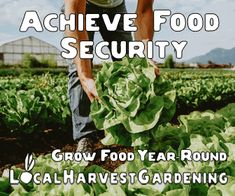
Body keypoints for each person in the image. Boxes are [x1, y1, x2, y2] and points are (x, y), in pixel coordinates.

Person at [64, 0, 158, 152]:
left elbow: (144, 10)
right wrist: (86, 77)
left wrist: (146, 54)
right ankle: (85, 136)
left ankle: (137, 129)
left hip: (116, 7)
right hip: (83, 6)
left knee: (131, 64)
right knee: (78, 70)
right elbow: (74, 15)